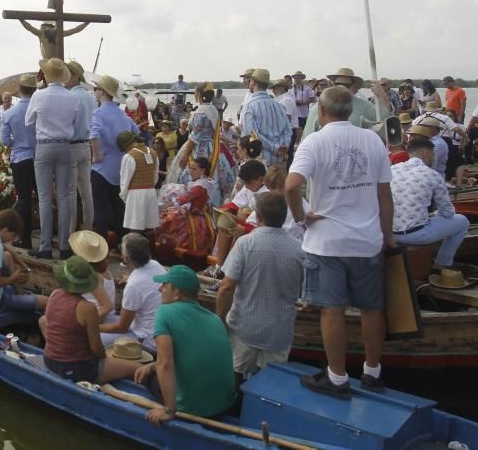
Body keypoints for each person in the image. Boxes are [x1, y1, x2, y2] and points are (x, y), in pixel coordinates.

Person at [285, 86, 393, 398]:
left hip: (327, 242)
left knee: (331, 310)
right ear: (351, 109)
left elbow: (291, 185)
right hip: (367, 239)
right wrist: (387, 234)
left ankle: (337, 377)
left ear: (320, 111)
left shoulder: (314, 141)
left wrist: (302, 215)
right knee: (372, 309)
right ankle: (372, 372)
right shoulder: (372, 139)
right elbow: (384, 195)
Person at [132, 265, 237, 422]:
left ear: (176, 294)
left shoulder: (164, 312)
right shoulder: (215, 319)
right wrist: (153, 365)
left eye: (165, 285)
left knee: (148, 377)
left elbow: (165, 364)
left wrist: (169, 410)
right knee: (155, 364)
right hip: (225, 403)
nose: (160, 289)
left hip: (192, 407)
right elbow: (193, 354)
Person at [216, 193, 304, 378]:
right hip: (279, 331)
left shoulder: (246, 243)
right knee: (271, 384)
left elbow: (226, 287)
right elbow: (306, 290)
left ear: (258, 217)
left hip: (245, 327)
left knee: (235, 377)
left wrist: (219, 319)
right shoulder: (299, 250)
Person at [40, 255, 142, 384]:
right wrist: (107, 357)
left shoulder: (54, 295)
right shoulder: (87, 308)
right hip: (77, 369)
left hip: (49, 360)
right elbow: (97, 350)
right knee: (138, 368)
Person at [25, 58, 80, 259]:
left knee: (44, 197)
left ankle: (46, 246)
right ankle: (65, 246)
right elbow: (74, 120)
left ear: (47, 75)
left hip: (45, 146)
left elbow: (28, 120)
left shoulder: (39, 95)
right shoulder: (72, 97)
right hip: (65, 146)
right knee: (65, 197)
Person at [390, 138, 469, 267]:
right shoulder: (432, 174)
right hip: (416, 235)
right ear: (426, 154)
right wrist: (436, 215)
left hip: (390, 234)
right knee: (462, 221)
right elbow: (448, 212)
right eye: (433, 154)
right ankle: (441, 264)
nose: (433, 157)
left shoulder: (391, 170)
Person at [167, 86, 235, 206]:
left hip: (198, 149)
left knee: (192, 173)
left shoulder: (200, 111)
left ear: (199, 94)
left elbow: (194, 136)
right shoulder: (214, 110)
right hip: (213, 147)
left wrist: (185, 155)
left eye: (195, 92)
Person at [98, 233, 167, 352]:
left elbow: (122, 327)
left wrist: (94, 328)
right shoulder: (156, 265)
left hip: (145, 339)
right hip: (157, 332)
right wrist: (130, 278)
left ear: (126, 258)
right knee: (109, 319)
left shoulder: (134, 285)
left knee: (89, 338)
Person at [90, 75, 138, 241]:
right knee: (118, 208)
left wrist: (96, 155)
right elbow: (136, 131)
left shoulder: (99, 113)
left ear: (102, 92)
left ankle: (101, 246)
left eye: (96, 89)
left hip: (102, 168)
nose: (95, 91)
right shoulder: (122, 113)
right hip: (120, 167)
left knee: (101, 210)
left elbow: (93, 134)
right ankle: (122, 243)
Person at [0, 73, 38, 248]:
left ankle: (26, 239)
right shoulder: (39, 108)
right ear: (35, 89)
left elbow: (5, 140)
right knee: (43, 198)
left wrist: (18, 143)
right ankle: (47, 237)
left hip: (20, 157)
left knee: (24, 200)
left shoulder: (9, 113)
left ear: (19, 89)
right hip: (39, 156)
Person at [302, 67, 393, 138]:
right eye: (338, 84)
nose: (342, 88)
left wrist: (382, 96)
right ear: (333, 85)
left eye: (346, 85)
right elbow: (307, 137)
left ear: (354, 87)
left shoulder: (364, 106)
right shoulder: (319, 107)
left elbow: (385, 122)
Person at [66, 60, 96, 234]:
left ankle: (71, 233)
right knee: (87, 192)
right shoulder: (91, 98)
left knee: (71, 194)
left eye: (68, 75)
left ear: (75, 76)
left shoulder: (71, 97)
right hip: (86, 146)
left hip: (72, 146)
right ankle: (88, 229)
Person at [240, 69, 292, 166]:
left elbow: (251, 134)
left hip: (259, 161)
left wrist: (274, 148)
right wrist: (283, 146)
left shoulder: (249, 106)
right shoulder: (279, 105)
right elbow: (288, 129)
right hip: (279, 161)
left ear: (253, 82)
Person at [118, 132, 159, 232]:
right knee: (150, 226)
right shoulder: (153, 153)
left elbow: (125, 180)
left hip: (135, 194)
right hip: (151, 192)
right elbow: (155, 176)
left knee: (135, 227)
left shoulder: (129, 156)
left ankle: (135, 246)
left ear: (127, 145)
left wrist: (123, 196)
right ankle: (150, 247)